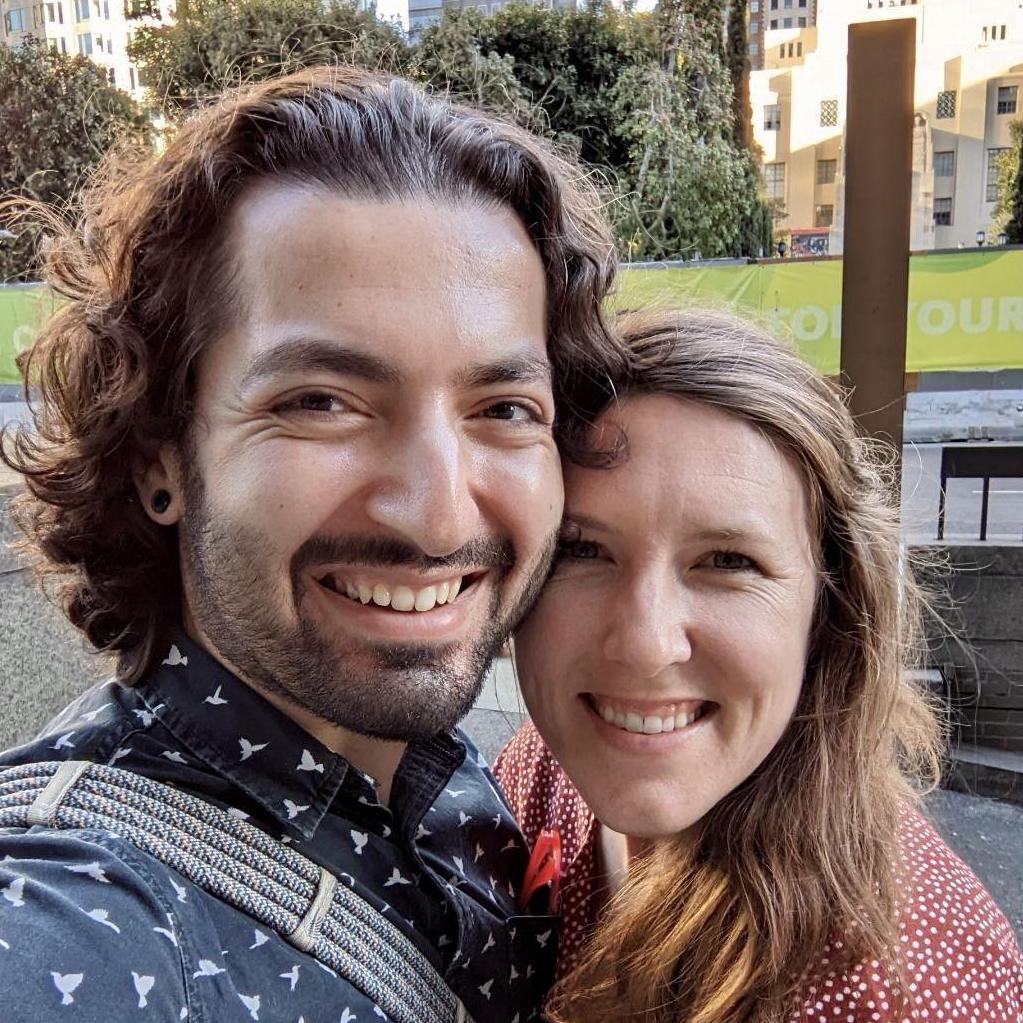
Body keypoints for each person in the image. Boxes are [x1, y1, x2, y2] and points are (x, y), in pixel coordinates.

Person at [0, 66, 624, 1022]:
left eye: (503, 408)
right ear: (158, 461)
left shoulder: (470, 779)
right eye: (320, 403)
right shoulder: (84, 916)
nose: (437, 516)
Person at [495, 308, 1023, 1023]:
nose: (646, 645)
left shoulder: (902, 989)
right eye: (581, 550)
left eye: (726, 562)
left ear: (827, 608)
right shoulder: (547, 767)